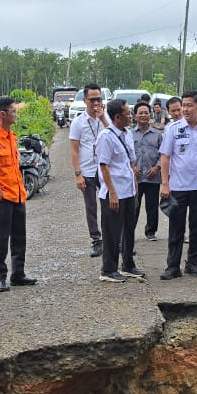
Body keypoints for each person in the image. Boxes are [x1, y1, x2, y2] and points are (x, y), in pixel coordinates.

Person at [158, 91, 197, 280]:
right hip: (178, 187)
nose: (185, 109)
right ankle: (173, 266)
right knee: (176, 228)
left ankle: (193, 264)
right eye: (183, 105)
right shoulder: (173, 129)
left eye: (189, 105)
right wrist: (165, 184)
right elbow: (165, 157)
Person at [0, 96, 37, 292]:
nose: (16, 114)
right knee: (1, 238)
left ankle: (18, 274)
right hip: (3, 198)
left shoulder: (11, 136)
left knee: (20, 237)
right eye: (13, 111)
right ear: (2, 114)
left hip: (18, 194)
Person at [96, 98, 145, 282]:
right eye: (127, 113)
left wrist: (135, 184)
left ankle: (128, 265)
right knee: (112, 232)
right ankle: (108, 270)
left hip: (129, 191)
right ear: (117, 117)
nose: (130, 116)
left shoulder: (127, 134)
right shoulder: (106, 137)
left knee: (129, 230)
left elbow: (129, 163)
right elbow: (104, 166)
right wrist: (112, 193)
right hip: (114, 193)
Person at [68, 83, 107, 257]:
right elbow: (74, 149)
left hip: (106, 169)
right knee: (91, 207)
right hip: (88, 170)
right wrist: (78, 174)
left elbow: (114, 136)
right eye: (92, 99)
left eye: (98, 99)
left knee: (111, 204)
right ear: (85, 100)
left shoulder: (107, 119)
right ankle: (96, 241)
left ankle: (114, 239)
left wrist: (103, 118)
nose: (96, 103)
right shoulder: (78, 122)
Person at [133, 101, 164, 242]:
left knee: (152, 206)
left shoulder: (158, 135)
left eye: (146, 113)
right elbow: (125, 154)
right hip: (135, 178)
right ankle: (129, 230)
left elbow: (163, 154)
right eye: (141, 113)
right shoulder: (129, 134)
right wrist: (132, 168)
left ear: (150, 115)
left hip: (153, 177)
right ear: (135, 116)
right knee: (134, 206)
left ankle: (151, 232)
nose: (144, 115)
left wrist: (157, 167)